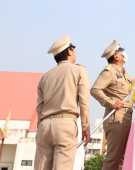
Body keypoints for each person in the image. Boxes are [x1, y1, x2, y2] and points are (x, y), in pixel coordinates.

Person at [91, 40, 135, 170]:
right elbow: (95, 90)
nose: (124, 53)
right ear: (116, 56)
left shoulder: (124, 73)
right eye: (121, 51)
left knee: (127, 157)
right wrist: (111, 102)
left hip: (127, 117)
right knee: (113, 157)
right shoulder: (109, 72)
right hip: (116, 117)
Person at [35, 35, 90, 170]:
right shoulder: (79, 70)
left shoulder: (45, 77)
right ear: (70, 51)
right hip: (66, 124)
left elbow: (39, 108)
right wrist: (85, 127)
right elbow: (84, 102)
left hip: (44, 125)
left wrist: (41, 129)